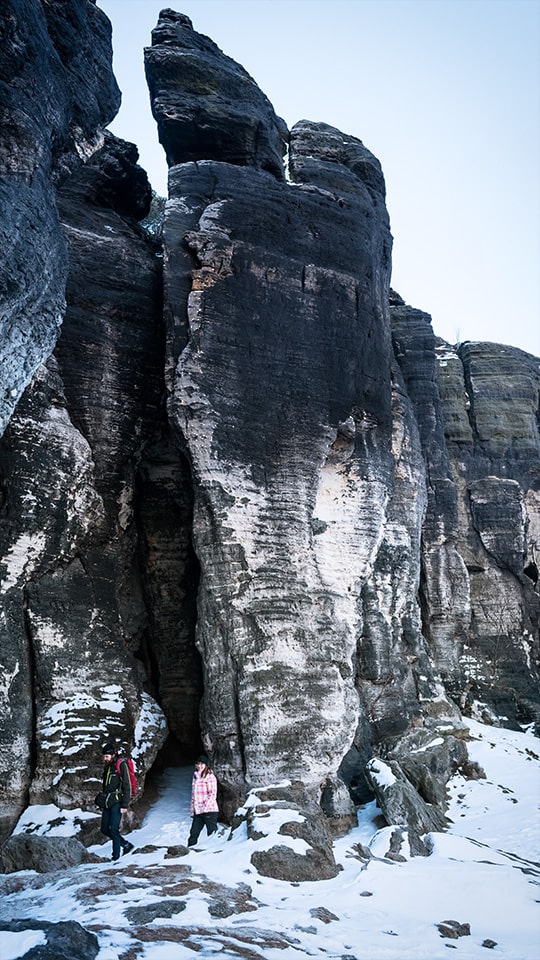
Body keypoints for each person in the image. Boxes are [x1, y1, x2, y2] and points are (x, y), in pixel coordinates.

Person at [100, 742, 135, 862]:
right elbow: (105, 786)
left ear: (113, 755)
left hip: (117, 802)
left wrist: (125, 804)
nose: (105, 759)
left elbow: (127, 785)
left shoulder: (121, 764)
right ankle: (125, 844)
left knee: (114, 830)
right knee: (104, 829)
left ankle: (115, 857)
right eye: (104, 756)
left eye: (107, 756)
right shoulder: (108, 767)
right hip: (107, 802)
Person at [188, 754, 219, 846]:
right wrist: (192, 811)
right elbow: (193, 796)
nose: (199, 766)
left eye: (202, 764)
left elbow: (213, 794)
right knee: (193, 833)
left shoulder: (210, 777)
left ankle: (215, 852)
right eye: (198, 764)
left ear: (206, 765)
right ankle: (189, 853)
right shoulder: (195, 777)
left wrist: (206, 808)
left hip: (209, 810)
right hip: (198, 811)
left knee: (212, 833)